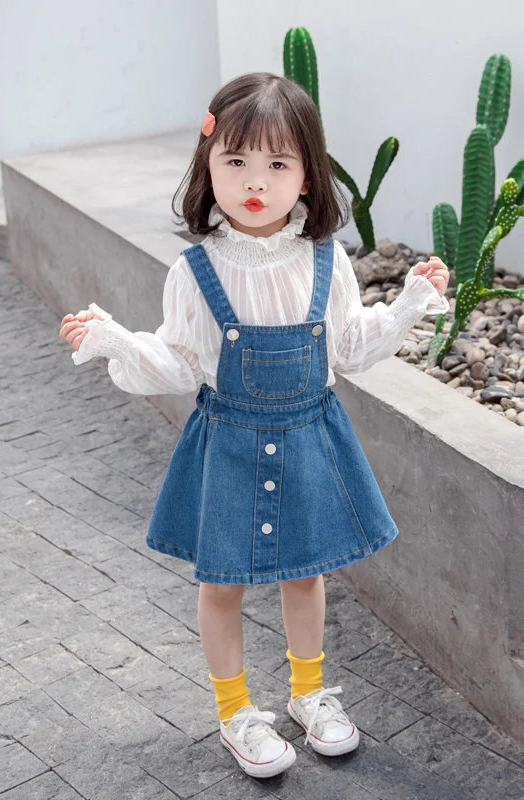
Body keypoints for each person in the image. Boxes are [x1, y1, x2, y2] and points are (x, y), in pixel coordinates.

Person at [59, 72, 449, 779]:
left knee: (306, 573)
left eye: (277, 163)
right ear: (207, 167)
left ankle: (308, 693)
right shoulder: (196, 271)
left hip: (309, 438)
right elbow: (178, 363)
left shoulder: (326, 261)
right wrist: (115, 341)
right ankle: (235, 710)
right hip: (229, 445)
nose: (255, 181)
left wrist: (409, 304)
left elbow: (350, 347)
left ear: (309, 175)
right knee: (222, 583)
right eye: (235, 161)